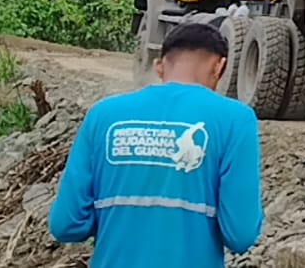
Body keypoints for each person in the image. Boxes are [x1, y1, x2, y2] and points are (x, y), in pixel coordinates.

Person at [48, 22, 263, 267]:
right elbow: (241, 235)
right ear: (219, 66)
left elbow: (66, 224)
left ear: (159, 67)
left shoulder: (103, 115)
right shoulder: (236, 119)